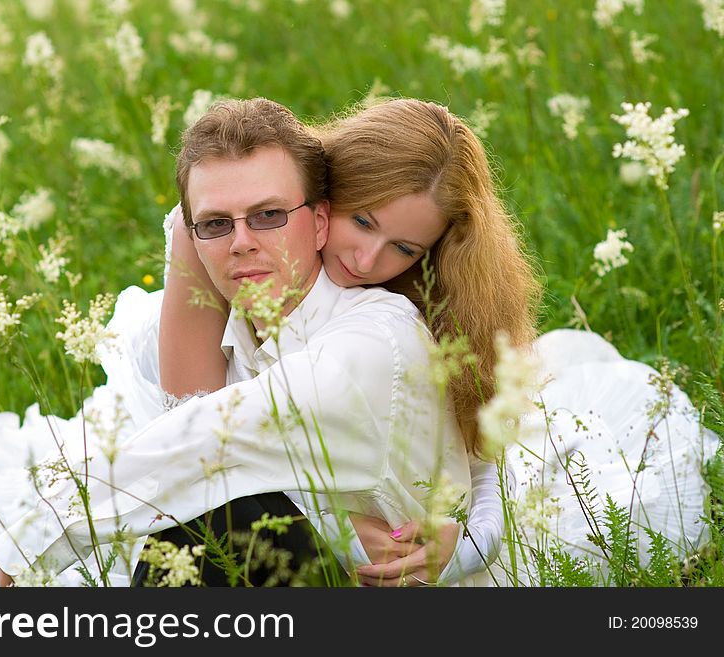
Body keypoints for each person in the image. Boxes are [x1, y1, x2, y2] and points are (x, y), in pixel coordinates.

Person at [154, 97, 721, 586]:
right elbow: (200, 428)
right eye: (364, 222)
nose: (366, 260)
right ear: (324, 199)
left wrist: (466, 544)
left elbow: (489, 454)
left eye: (405, 248)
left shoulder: (417, 312)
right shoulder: (238, 232)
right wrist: (329, 522)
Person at [0, 97, 477, 587]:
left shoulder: (372, 341)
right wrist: (335, 527)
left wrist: (14, 555)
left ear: (319, 221)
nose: (240, 242)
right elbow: (189, 451)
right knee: (200, 507)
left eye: (269, 216)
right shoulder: (215, 333)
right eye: (215, 224)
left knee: (214, 516)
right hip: (296, 569)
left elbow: (204, 443)